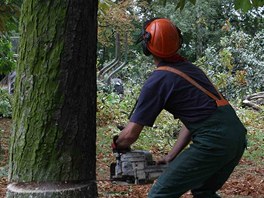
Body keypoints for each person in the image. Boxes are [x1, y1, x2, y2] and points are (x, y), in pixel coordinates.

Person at [112, 18, 247, 198]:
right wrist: (171, 156)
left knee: (159, 195)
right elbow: (194, 120)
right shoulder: (191, 70)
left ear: (146, 46)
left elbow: (129, 135)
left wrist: (116, 143)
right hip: (236, 137)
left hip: (214, 141)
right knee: (203, 191)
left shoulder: (158, 81)